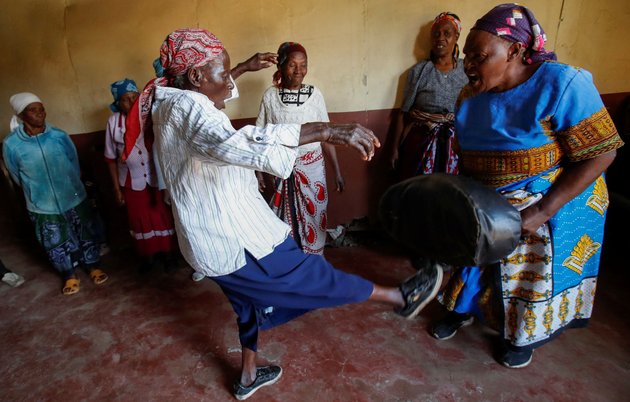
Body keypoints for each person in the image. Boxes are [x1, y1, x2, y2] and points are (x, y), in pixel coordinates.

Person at [123, 28, 442, 400]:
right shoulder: (187, 108)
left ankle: (247, 374)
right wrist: (326, 130)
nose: (229, 82)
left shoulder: (171, 100)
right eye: (223, 73)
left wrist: (240, 68)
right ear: (195, 76)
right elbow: (236, 141)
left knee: (247, 301)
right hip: (232, 237)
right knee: (309, 274)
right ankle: (398, 297)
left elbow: (212, 106)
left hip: (214, 237)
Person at [431, 3, 624, 369]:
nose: (468, 64)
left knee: (527, 273)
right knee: (472, 252)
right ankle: (462, 308)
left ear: (516, 51)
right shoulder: (469, 97)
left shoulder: (563, 83)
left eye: (479, 55)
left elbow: (603, 154)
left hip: (555, 197)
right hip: (491, 194)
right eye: (466, 56)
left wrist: (540, 211)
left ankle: (521, 335)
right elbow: (466, 153)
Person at [3, 93, 109, 295]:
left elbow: (74, 163)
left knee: (85, 232)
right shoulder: (12, 144)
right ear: (22, 115)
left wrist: (72, 185)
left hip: (73, 195)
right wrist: (35, 192)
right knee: (54, 241)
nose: (40, 113)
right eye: (33, 110)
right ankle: (69, 274)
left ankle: (93, 265)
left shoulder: (59, 136)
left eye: (41, 108)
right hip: (42, 204)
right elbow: (16, 175)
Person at [255, 41, 344, 255]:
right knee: (283, 218)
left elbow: (327, 134)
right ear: (281, 66)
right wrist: (257, 172)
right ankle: (291, 259)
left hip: (312, 168)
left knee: (316, 214)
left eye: (303, 65)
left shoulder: (315, 95)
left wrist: (337, 172)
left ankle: (315, 257)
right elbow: (260, 136)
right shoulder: (270, 96)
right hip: (280, 168)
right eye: (292, 65)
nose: (299, 71)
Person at [104, 78, 180, 273]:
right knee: (139, 221)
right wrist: (116, 189)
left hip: (157, 180)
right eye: (125, 99)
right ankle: (149, 258)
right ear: (117, 103)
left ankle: (169, 256)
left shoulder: (151, 117)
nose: (130, 102)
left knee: (163, 217)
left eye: (134, 97)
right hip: (131, 182)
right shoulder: (114, 123)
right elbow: (111, 159)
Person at [390, 11, 468, 180]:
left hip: (458, 144)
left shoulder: (466, 70)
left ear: (457, 36)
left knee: (453, 191)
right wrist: (395, 149)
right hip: (421, 143)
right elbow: (403, 113)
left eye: (447, 33)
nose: (440, 38)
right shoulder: (419, 72)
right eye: (436, 34)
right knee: (422, 191)